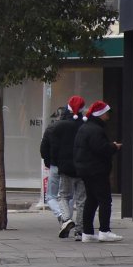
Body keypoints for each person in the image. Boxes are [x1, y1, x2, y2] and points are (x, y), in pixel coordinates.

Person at [73, 100, 122, 242]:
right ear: (100, 114)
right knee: (105, 200)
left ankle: (87, 232)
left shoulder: (85, 127)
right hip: (96, 170)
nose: (108, 116)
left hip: (85, 170)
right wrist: (113, 147)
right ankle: (104, 230)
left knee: (92, 200)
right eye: (106, 113)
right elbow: (101, 148)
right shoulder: (95, 130)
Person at [52, 95, 87, 240]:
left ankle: (66, 219)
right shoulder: (85, 125)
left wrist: (54, 163)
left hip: (66, 167)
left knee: (63, 195)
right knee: (81, 199)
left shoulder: (59, 126)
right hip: (83, 167)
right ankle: (79, 231)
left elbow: (53, 148)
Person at [39, 106, 67, 224]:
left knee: (51, 195)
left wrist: (48, 161)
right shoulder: (73, 128)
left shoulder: (51, 128)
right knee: (67, 196)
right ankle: (67, 217)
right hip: (68, 167)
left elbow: (43, 148)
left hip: (55, 165)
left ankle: (61, 215)